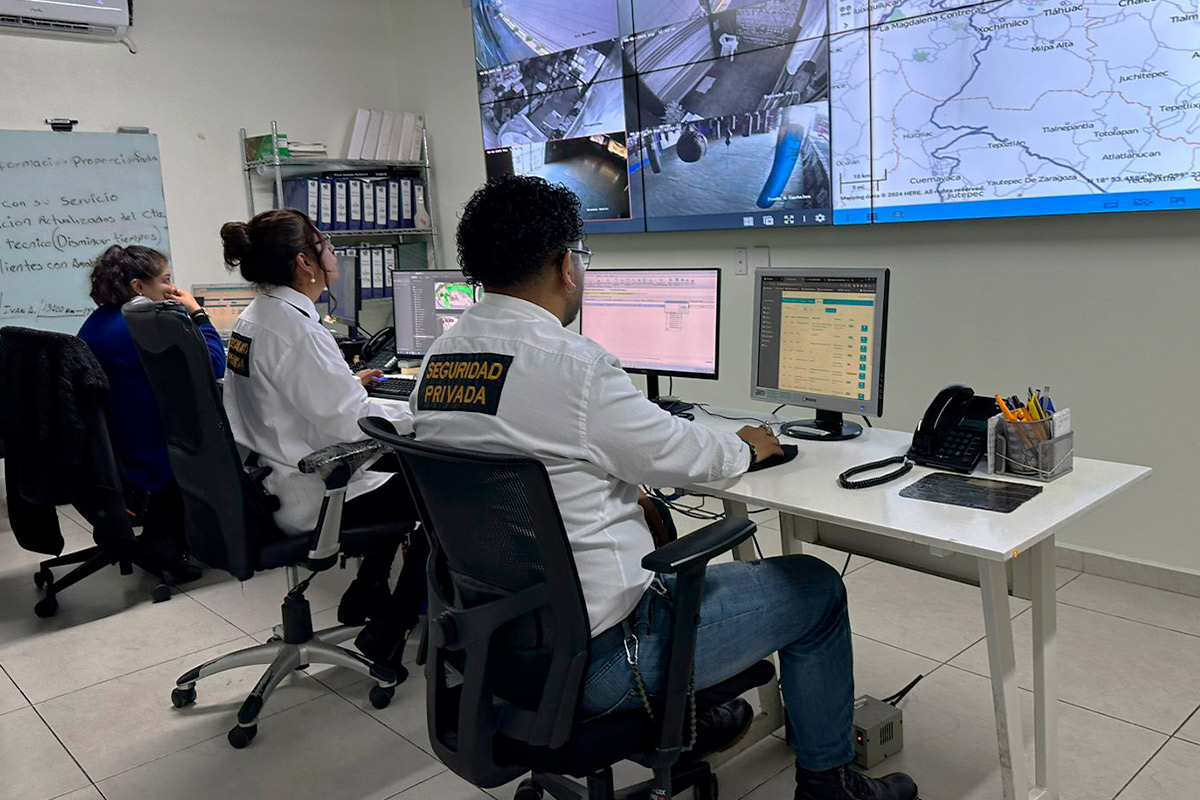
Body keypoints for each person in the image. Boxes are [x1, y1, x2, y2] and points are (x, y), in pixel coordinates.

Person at [411, 176, 918, 800]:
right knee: (815, 587)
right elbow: (679, 454)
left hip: (500, 646)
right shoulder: (573, 366)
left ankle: (695, 721)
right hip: (601, 661)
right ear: (565, 265)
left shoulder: (439, 360)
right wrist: (746, 446)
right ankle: (828, 787)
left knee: (655, 530)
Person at [219, 209, 426, 678]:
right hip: (309, 492)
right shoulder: (296, 330)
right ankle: (390, 626)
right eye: (326, 244)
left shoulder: (258, 316)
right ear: (304, 262)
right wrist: (425, 414)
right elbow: (355, 424)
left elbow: (289, 395)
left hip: (268, 479)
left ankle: (369, 588)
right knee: (446, 493)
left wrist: (346, 381)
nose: (333, 252)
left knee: (406, 472)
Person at [78, 244, 226, 579]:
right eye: (166, 280)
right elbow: (214, 364)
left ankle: (168, 537)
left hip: (116, 442)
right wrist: (197, 313)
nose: (173, 288)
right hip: (148, 449)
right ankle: (172, 544)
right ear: (138, 287)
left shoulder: (100, 320)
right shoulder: (141, 327)